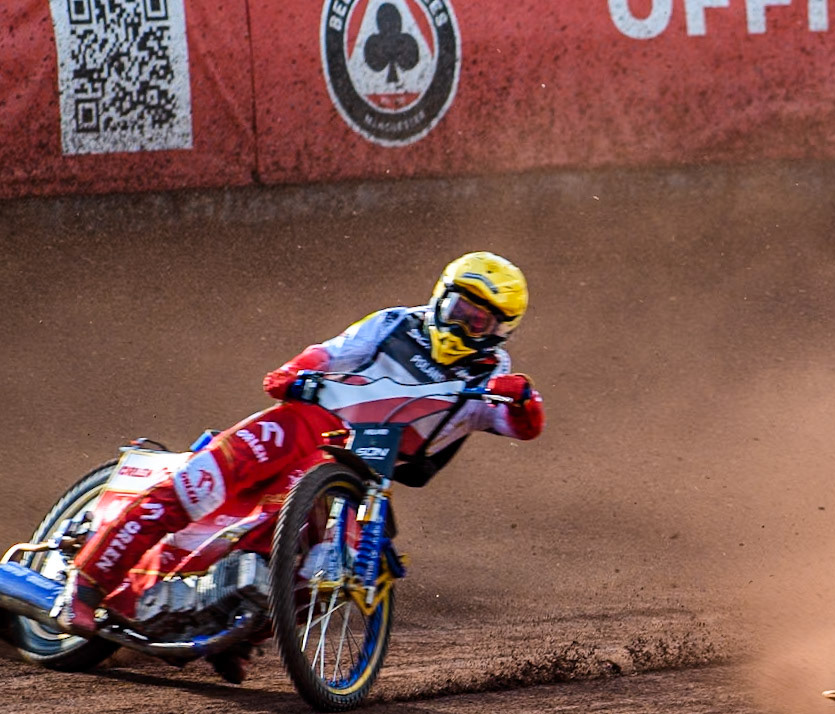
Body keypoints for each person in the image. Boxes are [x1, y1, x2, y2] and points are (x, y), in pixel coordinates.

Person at [51, 252, 545, 679]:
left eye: (481, 322)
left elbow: (525, 426)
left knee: (325, 567)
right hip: (306, 424)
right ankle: (86, 581)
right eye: (461, 311)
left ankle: (233, 633)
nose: (466, 326)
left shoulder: (492, 377)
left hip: (363, 473)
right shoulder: (394, 323)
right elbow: (331, 351)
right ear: (441, 298)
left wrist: (522, 400)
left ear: (501, 330)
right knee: (197, 486)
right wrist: (295, 371)